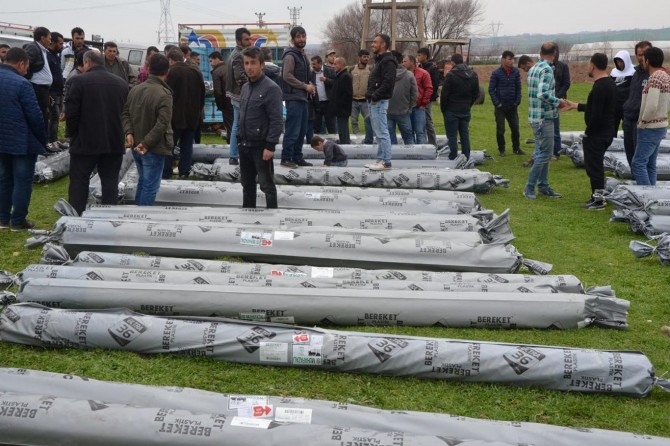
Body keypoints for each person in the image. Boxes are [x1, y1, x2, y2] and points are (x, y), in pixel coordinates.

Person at [65, 50, 128, 216]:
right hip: (113, 140)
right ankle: (108, 218)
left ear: (87, 63)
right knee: (110, 183)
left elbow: (72, 112)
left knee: (79, 181)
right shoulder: (121, 83)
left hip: (85, 140)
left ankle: (76, 217)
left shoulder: (79, 81)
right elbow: (125, 113)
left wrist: (71, 134)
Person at [0, 47, 47, 231]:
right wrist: (42, 139)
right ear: (21, 64)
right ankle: (18, 221)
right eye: (27, 67)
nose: (27, 71)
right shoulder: (22, 84)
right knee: (22, 181)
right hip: (21, 142)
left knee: (4, 179)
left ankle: (2, 219)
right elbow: (35, 116)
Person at [563, 53, 616, 210]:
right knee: (596, 166)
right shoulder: (609, 83)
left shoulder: (600, 86)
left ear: (593, 65)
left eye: (588, 64)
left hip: (598, 134)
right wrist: (575, 105)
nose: (587, 66)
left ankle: (598, 200)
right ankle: (597, 197)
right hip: (606, 132)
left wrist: (588, 132)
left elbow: (597, 115)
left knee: (595, 168)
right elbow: (597, 107)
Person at [122, 54, 173, 206]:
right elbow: (162, 123)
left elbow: (125, 113)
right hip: (152, 148)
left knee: (143, 182)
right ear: (167, 71)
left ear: (149, 69)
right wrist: (146, 143)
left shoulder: (135, 89)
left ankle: (137, 215)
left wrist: (129, 133)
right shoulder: (164, 94)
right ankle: (143, 217)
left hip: (137, 144)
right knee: (150, 187)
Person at [238, 46, 283, 209]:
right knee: (247, 185)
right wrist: (238, 139)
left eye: (253, 63)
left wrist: (270, 146)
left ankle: (272, 217)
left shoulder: (272, 88)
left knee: (267, 186)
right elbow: (242, 115)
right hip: (244, 145)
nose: (249, 67)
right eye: (246, 63)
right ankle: (248, 215)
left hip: (261, 147)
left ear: (262, 65)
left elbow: (276, 120)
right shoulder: (245, 88)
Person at [522, 42, 566, 200]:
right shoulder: (547, 69)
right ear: (555, 53)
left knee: (544, 153)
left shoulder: (534, 68)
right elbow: (542, 94)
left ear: (540, 52)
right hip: (544, 118)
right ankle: (529, 187)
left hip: (535, 117)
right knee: (545, 154)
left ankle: (543, 186)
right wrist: (559, 102)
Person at [162, 48, 206, 180]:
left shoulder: (171, 72)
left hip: (174, 118)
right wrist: (198, 111)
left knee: (169, 146)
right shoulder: (196, 72)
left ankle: (166, 173)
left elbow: (166, 95)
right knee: (187, 146)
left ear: (170, 60)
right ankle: (184, 172)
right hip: (192, 117)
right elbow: (202, 95)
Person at [632, 46, 670, 186]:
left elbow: (652, 105)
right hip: (661, 125)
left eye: (644, 59)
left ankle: (646, 196)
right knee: (650, 164)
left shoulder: (654, 78)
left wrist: (643, 122)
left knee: (638, 163)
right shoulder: (665, 76)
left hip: (651, 127)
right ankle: (653, 194)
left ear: (647, 61)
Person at [280, 26, 315, 168]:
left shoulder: (302, 55)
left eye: (303, 36)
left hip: (302, 97)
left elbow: (304, 75)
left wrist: (310, 85)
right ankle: (286, 158)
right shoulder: (290, 55)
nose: (301, 39)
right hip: (293, 98)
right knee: (292, 130)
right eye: (298, 37)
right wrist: (305, 86)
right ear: (293, 39)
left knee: (302, 131)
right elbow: (287, 76)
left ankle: (297, 157)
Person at [365, 33, 397, 171]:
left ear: (383, 44)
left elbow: (388, 83)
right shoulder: (380, 60)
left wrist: (375, 96)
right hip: (374, 101)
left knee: (382, 132)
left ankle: (386, 162)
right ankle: (380, 159)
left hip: (378, 101)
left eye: (375, 42)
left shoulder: (388, 62)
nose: (372, 44)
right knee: (378, 133)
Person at [440, 53, 479, 160]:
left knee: (452, 135)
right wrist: (469, 104)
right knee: (464, 134)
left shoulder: (451, 75)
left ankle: (453, 157)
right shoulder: (473, 75)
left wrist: (444, 109)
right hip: (465, 109)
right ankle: (466, 157)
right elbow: (476, 93)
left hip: (451, 109)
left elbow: (444, 94)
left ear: (453, 62)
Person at [622, 41, 653, 170]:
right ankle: (635, 180)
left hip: (641, 123)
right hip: (628, 120)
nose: (642, 57)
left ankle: (642, 182)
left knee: (640, 160)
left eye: (645, 54)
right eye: (639, 54)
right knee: (630, 156)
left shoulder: (653, 74)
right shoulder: (635, 73)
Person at [225, 27, 252, 165]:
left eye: (250, 39)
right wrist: (253, 84)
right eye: (246, 39)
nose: (249, 42)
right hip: (239, 96)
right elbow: (240, 77)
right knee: (240, 126)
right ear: (238, 41)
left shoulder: (235, 53)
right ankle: (235, 155)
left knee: (237, 125)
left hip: (236, 95)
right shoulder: (238, 55)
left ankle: (234, 155)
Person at [489, 50, 523, 157]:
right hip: (500, 106)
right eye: (510, 59)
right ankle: (501, 149)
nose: (512, 61)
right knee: (500, 129)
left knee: (515, 128)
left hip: (512, 106)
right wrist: (497, 103)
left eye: (513, 59)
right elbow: (491, 90)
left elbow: (518, 88)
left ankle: (516, 148)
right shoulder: (496, 73)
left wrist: (517, 101)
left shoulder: (516, 72)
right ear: (503, 59)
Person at [24, 26, 52, 134]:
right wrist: (29, 78)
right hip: (37, 88)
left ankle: (43, 140)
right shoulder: (33, 48)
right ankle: (40, 140)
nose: (50, 41)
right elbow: (26, 64)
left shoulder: (42, 49)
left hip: (43, 89)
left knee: (44, 115)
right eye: (49, 38)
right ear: (42, 38)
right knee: (39, 116)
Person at [387, 50, 417, 145]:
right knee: (408, 138)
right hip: (403, 111)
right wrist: (410, 107)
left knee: (390, 139)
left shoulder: (385, 74)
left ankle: (392, 154)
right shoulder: (409, 75)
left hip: (388, 110)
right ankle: (412, 153)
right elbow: (414, 93)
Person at [403, 54, 432, 144]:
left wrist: (423, 103)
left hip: (419, 107)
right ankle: (411, 151)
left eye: (405, 61)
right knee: (408, 132)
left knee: (420, 132)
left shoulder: (423, 73)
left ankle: (421, 150)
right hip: (406, 108)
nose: (403, 63)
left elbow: (429, 89)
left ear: (412, 62)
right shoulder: (402, 74)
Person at [417, 47, 440, 147]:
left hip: (426, 100)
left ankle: (433, 144)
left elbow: (434, 85)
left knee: (428, 122)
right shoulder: (419, 67)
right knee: (420, 122)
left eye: (419, 55)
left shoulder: (432, 69)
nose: (418, 57)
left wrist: (427, 98)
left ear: (425, 56)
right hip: (418, 99)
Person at [209, 51, 234, 143]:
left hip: (226, 103)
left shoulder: (217, 72)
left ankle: (231, 145)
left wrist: (220, 106)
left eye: (211, 61)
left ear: (217, 59)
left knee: (229, 126)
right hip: (235, 100)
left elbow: (217, 91)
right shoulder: (230, 68)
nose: (210, 64)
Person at [610, 50, 635, 138]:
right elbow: (611, 86)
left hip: (627, 105)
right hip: (615, 105)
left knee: (627, 128)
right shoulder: (614, 72)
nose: (619, 64)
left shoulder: (633, 71)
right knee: (612, 128)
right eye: (618, 62)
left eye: (621, 62)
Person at [46, 32, 65, 151]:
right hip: (52, 91)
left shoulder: (55, 55)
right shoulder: (47, 56)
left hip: (59, 91)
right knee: (53, 116)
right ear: (53, 42)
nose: (62, 46)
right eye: (60, 43)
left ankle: (54, 139)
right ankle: (50, 141)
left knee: (57, 117)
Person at [551, 44, 570, 160]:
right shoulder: (544, 66)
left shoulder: (563, 66)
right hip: (545, 99)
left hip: (557, 99)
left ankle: (556, 152)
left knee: (555, 127)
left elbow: (566, 83)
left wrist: (557, 97)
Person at [518, 55, 537, 168]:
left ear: (528, 63)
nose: (525, 71)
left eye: (524, 68)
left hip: (539, 113)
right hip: (535, 112)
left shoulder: (536, 72)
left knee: (540, 139)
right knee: (540, 139)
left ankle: (535, 160)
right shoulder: (533, 72)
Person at [329, 57, 353, 144]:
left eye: (335, 64)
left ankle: (344, 144)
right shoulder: (339, 75)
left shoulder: (345, 76)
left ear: (341, 64)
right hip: (340, 109)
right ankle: (345, 143)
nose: (333, 66)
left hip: (342, 109)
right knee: (343, 128)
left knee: (342, 129)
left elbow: (347, 94)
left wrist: (338, 105)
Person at [350, 49, 372, 142]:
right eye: (364, 57)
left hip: (365, 101)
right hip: (354, 100)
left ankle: (369, 139)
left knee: (369, 121)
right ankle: (357, 139)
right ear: (359, 57)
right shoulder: (352, 69)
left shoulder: (370, 69)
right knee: (354, 121)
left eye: (367, 57)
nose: (366, 58)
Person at [310, 55, 336, 134]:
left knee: (331, 126)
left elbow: (336, 83)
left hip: (328, 103)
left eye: (314, 64)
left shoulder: (330, 70)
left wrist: (326, 80)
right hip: (317, 104)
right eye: (312, 64)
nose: (313, 66)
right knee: (317, 127)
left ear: (320, 63)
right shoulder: (311, 74)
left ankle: (334, 140)